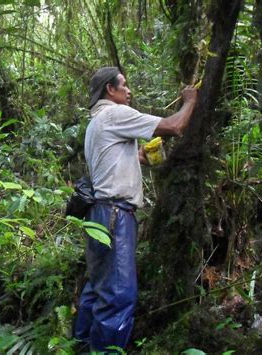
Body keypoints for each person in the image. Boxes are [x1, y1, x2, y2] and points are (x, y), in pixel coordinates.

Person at [74, 66, 198, 352]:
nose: (129, 91)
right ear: (110, 89)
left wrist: (141, 156)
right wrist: (190, 100)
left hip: (98, 214)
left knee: (98, 286)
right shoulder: (116, 114)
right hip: (116, 214)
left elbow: (113, 161)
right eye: (124, 85)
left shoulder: (96, 122)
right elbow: (175, 125)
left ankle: (81, 345)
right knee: (118, 293)